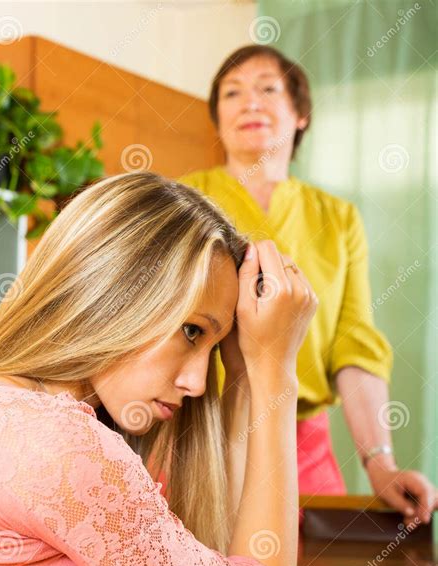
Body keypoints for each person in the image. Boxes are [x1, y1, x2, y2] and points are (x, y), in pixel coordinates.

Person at [0, 171, 317, 566]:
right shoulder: (61, 447)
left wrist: (243, 373)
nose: (198, 382)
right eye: (191, 331)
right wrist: (275, 373)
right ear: (113, 290)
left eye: (215, 349)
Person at [179, 44, 436, 527]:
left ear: (300, 115)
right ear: (217, 120)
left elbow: (354, 344)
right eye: (232, 93)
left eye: (268, 89)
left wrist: (380, 462)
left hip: (303, 442)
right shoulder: (186, 198)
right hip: (199, 431)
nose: (250, 102)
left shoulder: (337, 218)